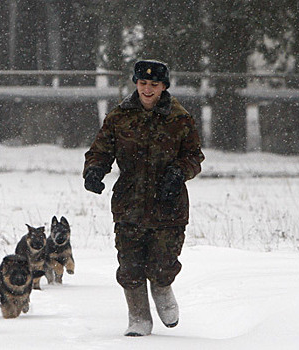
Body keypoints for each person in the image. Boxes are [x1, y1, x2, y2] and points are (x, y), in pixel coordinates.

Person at [83, 59, 205, 336]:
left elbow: (194, 156)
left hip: (168, 204)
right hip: (130, 202)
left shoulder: (180, 118)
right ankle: (138, 317)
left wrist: (178, 173)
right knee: (130, 265)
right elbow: (101, 150)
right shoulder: (119, 116)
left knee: (162, 263)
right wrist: (94, 171)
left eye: (154, 85)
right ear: (135, 84)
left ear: (163, 87)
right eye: (142, 83)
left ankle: (162, 290)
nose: (147, 89)